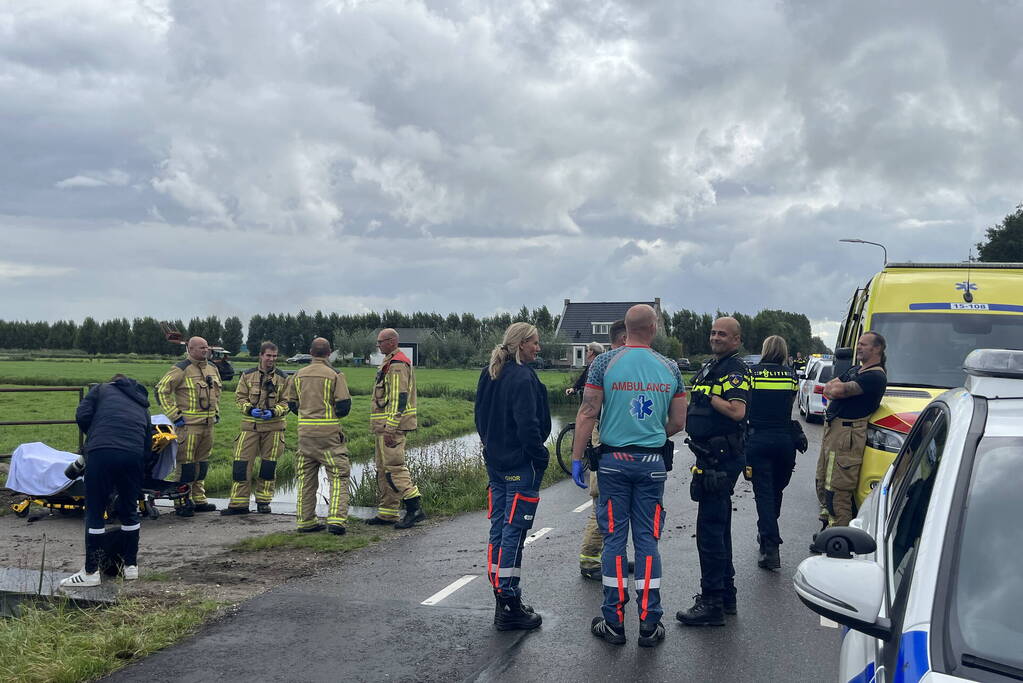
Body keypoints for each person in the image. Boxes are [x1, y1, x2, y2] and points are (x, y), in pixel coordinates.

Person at [575, 305, 688, 648]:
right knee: (648, 541)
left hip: (612, 463)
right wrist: (652, 434)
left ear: (625, 328)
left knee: (613, 541)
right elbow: (679, 423)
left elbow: (588, 411)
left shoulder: (604, 363)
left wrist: (577, 458)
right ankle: (650, 624)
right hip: (651, 463)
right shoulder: (669, 368)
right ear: (653, 328)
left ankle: (613, 622)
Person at [474, 322, 551, 631]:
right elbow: (528, 425)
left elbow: (479, 417)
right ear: (521, 344)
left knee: (499, 527)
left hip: (495, 463)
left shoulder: (489, 372)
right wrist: (539, 455)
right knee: (515, 532)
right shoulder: (522, 377)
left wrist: (490, 446)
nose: (538, 348)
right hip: (520, 465)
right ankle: (508, 602)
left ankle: (502, 595)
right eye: (535, 343)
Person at [677, 317, 750, 627]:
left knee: (709, 531)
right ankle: (726, 595)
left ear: (736, 340)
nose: (716, 337)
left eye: (723, 334)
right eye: (713, 332)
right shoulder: (711, 366)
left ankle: (712, 602)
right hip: (709, 455)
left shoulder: (735, 370)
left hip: (721, 457)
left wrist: (711, 398)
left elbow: (737, 411)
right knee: (718, 527)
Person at [60, 374, 153, 588]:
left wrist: (94, 437)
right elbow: (147, 444)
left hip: (101, 452)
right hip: (134, 456)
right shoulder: (142, 404)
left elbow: (82, 414)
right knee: (129, 510)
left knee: (95, 511)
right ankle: (130, 567)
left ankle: (91, 572)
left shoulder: (101, 390)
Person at [815, 332, 888, 528]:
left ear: (877, 349)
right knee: (823, 481)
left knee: (837, 490)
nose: (859, 347)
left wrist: (835, 390)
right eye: (859, 343)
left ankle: (838, 538)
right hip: (835, 433)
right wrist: (834, 389)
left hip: (847, 437)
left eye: (864, 344)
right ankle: (827, 529)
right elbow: (828, 387)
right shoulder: (858, 370)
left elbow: (837, 390)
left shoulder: (875, 376)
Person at [283, 337, 352, 534]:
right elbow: (344, 406)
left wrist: (307, 416)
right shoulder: (335, 374)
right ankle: (337, 520)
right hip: (329, 435)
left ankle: (305, 521)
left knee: (305, 478)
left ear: (310, 353)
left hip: (304, 434)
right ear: (329, 353)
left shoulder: (298, 375)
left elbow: (292, 404)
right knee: (338, 475)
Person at [746, 335, 800, 570]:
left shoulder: (752, 374)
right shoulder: (791, 376)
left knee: (764, 495)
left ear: (764, 349)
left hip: (758, 438)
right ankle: (767, 531)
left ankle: (770, 547)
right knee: (776, 491)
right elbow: (791, 405)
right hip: (784, 441)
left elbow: (745, 403)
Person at [578, 321, 626, 580]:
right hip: (603, 441)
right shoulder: (607, 363)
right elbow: (589, 411)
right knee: (601, 505)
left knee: (613, 508)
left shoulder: (614, 363)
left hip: (608, 441)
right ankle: (590, 562)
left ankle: (612, 557)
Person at [155, 336, 222, 516]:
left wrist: (216, 412)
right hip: (188, 427)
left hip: (208, 426)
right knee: (186, 466)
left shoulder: (212, 368)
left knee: (202, 464)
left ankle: (199, 499)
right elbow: (161, 391)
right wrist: (175, 416)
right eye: (201, 347)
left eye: (206, 347)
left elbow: (217, 393)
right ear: (190, 349)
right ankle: (182, 501)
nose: (205, 350)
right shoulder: (181, 369)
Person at [365, 329, 426, 529]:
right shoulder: (389, 362)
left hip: (392, 428)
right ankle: (388, 512)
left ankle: (414, 508)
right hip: (383, 427)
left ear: (391, 342)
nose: (378, 345)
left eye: (380, 342)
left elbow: (399, 399)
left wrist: (391, 427)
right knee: (383, 470)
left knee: (395, 468)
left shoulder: (397, 365)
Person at [222, 341, 289, 516]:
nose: (271, 359)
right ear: (261, 355)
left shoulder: (283, 377)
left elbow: (288, 402)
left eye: (274, 356)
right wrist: (250, 409)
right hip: (249, 427)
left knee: (268, 466)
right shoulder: (247, 375)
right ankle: (238, 504)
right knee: (241, 464)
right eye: (268, 355)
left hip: (274, 428)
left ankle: (264, 502)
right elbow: (239, 398)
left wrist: (275, 412)